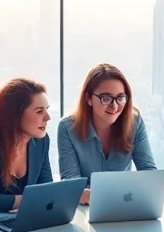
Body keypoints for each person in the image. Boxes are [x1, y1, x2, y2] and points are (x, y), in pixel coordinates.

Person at [58, 63, 156, 205]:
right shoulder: (67, 127)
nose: (115, 106)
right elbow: (71, 183)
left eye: (120, 97)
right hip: (84, 209)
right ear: (88, 98)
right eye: (106, 98)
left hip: (124, 205)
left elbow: (149, 175)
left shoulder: (135, 123)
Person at [0, 77, 52, 212]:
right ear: (15, 115)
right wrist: (30, 199)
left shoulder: (41, 141)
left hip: (17, 219)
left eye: (46, 110)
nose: (48, 118)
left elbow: (46, 189)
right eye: (39, 111)